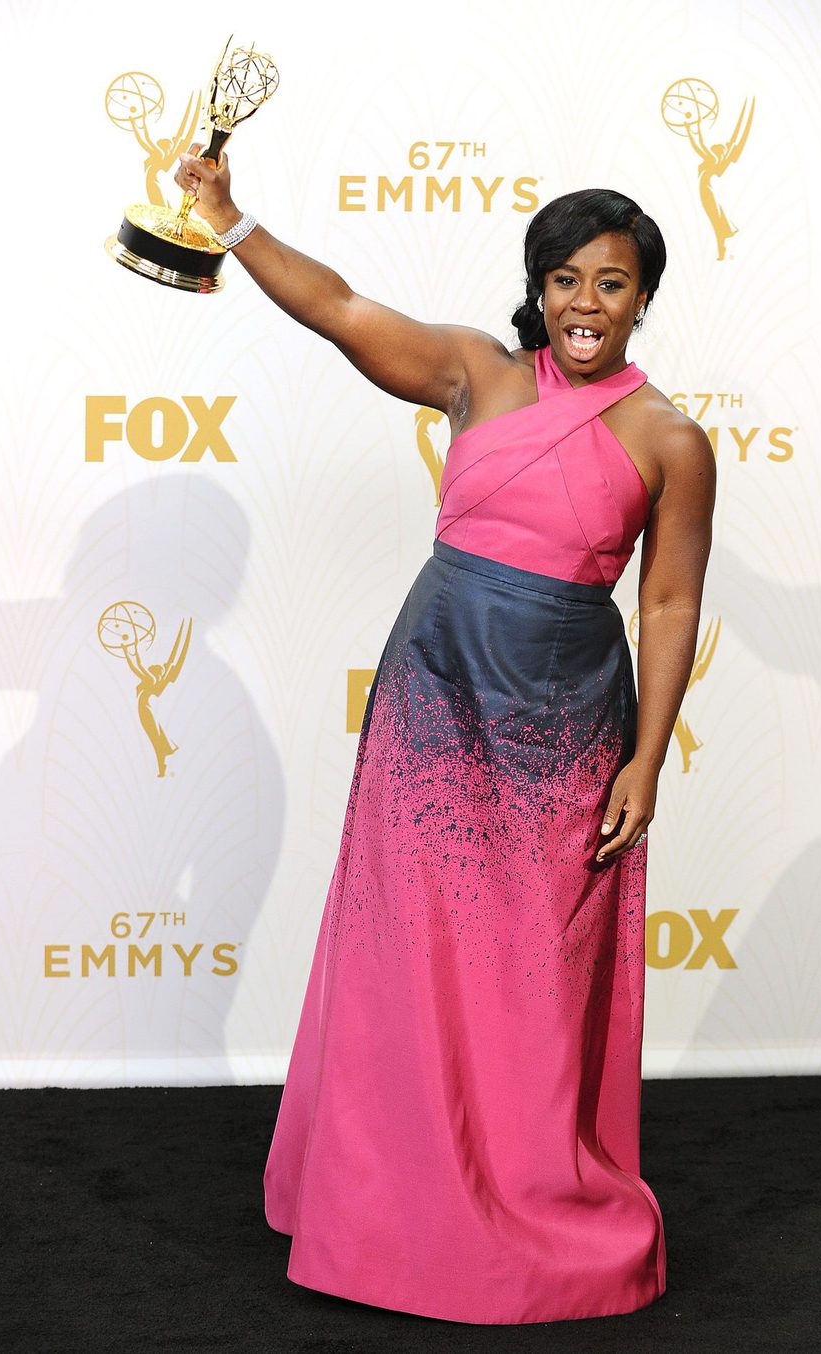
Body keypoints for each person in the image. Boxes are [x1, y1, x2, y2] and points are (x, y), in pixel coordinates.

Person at [175, 148, 716, 1325]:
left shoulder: (671, 439)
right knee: (404, 952)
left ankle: (522, 1203)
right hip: (432, 696)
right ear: (538, 286)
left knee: (531, 971)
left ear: (644, 298)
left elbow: (668, 604)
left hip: (566, 724)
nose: (586, 303)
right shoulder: (478, 371)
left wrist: (647, 754)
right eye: (566, 278)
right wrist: (231, 219)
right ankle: (383, 1200)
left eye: (613, 283)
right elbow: (341, 309)